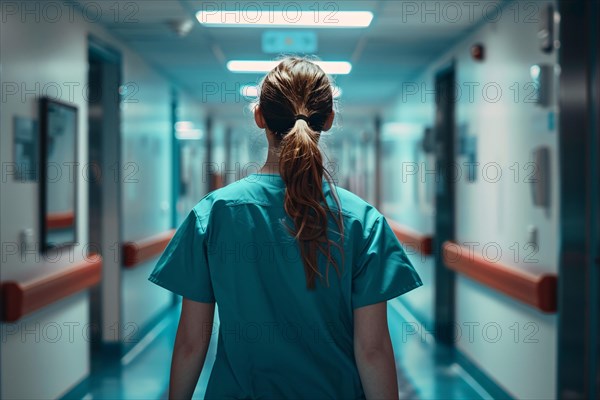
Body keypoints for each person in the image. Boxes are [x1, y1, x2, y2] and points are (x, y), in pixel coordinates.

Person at [148, 57, 423, 400]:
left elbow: (192, 341)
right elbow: (372, 349)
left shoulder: (214, 215)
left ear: (259, 116)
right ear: (329, 119)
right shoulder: (362, 222)